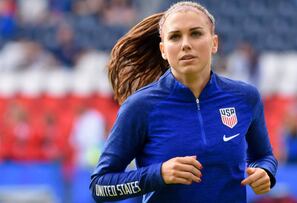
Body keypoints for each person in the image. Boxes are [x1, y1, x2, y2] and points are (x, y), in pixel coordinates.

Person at [90, 1, 278, 202]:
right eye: (175, 37)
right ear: (163, 49)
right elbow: (100, 186)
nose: (186, 44)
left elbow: (264, 156)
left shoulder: (245, 97)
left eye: (196, 33)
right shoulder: (140, 106)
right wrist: (159, 174)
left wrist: (265, 172)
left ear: (214, 43)